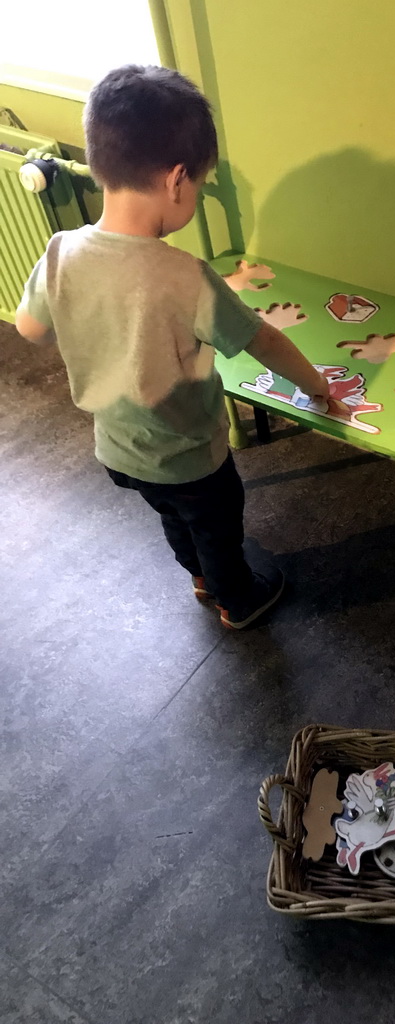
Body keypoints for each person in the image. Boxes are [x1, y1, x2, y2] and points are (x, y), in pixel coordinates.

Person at [14, 64, 330, 629]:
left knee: (172, 519)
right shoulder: (184, 276)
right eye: (202, 186)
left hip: (117, 450)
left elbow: (29, 330)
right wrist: (317, 386)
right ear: (177, 180)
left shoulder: (60, 251)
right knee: (215, 527)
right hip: (191, 457)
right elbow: (262, 340)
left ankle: (201, 580)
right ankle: (237, 599)